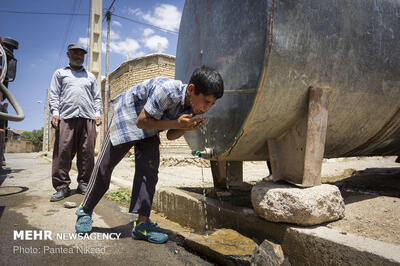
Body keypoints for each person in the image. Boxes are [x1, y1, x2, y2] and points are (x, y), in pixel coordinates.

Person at [75, 66, 224, 244]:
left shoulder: (193, 107)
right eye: (206, 102)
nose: (207, 108)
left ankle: (141, 225)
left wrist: (186, 127)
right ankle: (85, 210)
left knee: (149, 171)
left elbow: (171, 134)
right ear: (191, 89)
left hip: (151, 126)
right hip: (130, 115)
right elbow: (141, 121)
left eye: (212, 104)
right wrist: (177, 122)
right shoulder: (168, 91)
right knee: (105, 165)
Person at [49, 43, 102, 202]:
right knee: (63, 152)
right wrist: (55, 113)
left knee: (87, 153)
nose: (79, 56)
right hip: (67, 117)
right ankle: (62, 187)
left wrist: (97, 113)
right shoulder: (60, 73)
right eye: (75, 53)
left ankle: (84, 184)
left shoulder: (90, 76)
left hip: (87, 118)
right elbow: (54, 95)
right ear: (68, 55)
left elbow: (97, 98)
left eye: (81, 54)